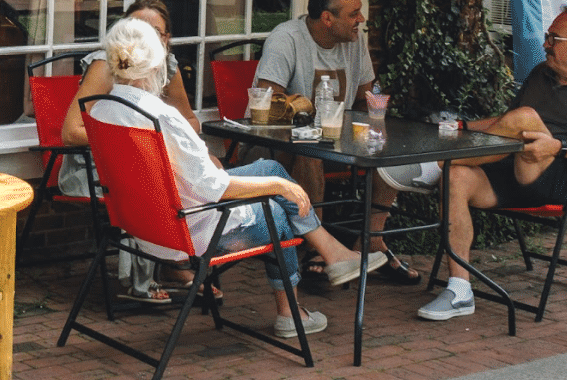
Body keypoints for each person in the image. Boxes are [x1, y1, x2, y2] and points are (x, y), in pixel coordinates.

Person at [91, 17, 383, 337]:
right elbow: (213, 187)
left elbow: (165, 172)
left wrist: (256, 175)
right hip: (192, 232)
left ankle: (333, 253)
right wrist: (280, 187)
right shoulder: (161, 116)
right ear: (157, 61)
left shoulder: (102, 109)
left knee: (271, 168)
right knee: (277, 212)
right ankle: (290, 313)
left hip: (143, 226)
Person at [418, 5, 567, 321]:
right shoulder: (540, 74)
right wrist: (462, 126)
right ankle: (459, 290)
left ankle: (431, 165)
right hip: (515, 168)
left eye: (554, 38)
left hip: (563, 179)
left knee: (527, 117)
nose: (545, 44)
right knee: (458, 177)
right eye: (547, 37)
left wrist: (555, 147)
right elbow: (507, 123)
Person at [253, 0, 419, 285]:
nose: (362, 19)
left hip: (339, 142)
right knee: (309, 150)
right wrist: (302, 108)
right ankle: (319, 247)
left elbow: (367, 96)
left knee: (388, 143)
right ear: (327, 18)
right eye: (353, 14)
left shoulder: (354, 41)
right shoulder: (287, 38)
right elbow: (266, 99)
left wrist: (378, 117)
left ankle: (372, 240)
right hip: (283, 148)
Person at [59, 0, 202, 305]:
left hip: (156, 154)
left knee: (203, 167)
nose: (145, 38)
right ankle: (165, 268)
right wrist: (128, 139)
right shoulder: (107, 65)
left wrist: (172, 136)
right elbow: (71, 132)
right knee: (150, 174)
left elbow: (192, 120)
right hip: (95, 166)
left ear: (166, 39)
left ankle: (180, 256)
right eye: (138, 28)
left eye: (154, 31)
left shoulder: (168, 66)